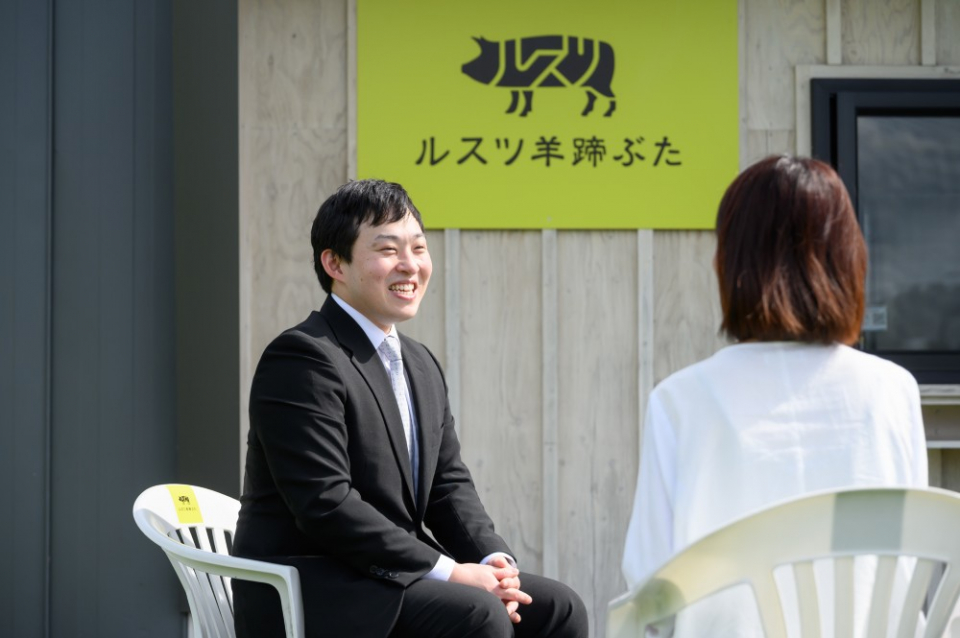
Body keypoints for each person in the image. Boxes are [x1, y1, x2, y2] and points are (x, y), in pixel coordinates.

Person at [232, 179, 588, 638]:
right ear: (334, 263)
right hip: (315, 589)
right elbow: (325, 503)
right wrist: (451, 571)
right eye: (388, 249)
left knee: (559, 608)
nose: (410, 264)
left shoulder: (419, 363)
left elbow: (447, 486)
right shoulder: (303, 357)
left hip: (389, 579)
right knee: (478, 613)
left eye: (418, 247)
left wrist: (492, 561)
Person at [620, 155, 928, 636]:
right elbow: (916, 557)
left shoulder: (681, 399)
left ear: (731, 262)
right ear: (849, 259)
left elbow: (650, 586)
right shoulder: (892, 390)